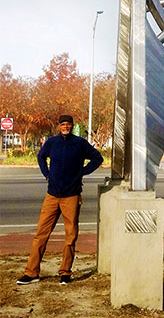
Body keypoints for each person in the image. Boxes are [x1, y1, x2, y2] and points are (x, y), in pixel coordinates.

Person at [17, 115, 103, 285]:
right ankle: (32, 273)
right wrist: (47, 175)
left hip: (71, 195)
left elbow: (97, 158)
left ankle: (65, 272)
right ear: (58, 126)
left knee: (70, 236)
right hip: (52, 195)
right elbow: (41, 157)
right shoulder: (51, 142)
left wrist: (82, 172)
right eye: (62, 124)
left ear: (72, 126)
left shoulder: (79, 143)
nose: (65, 126)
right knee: (41, 234)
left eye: (68, 124)